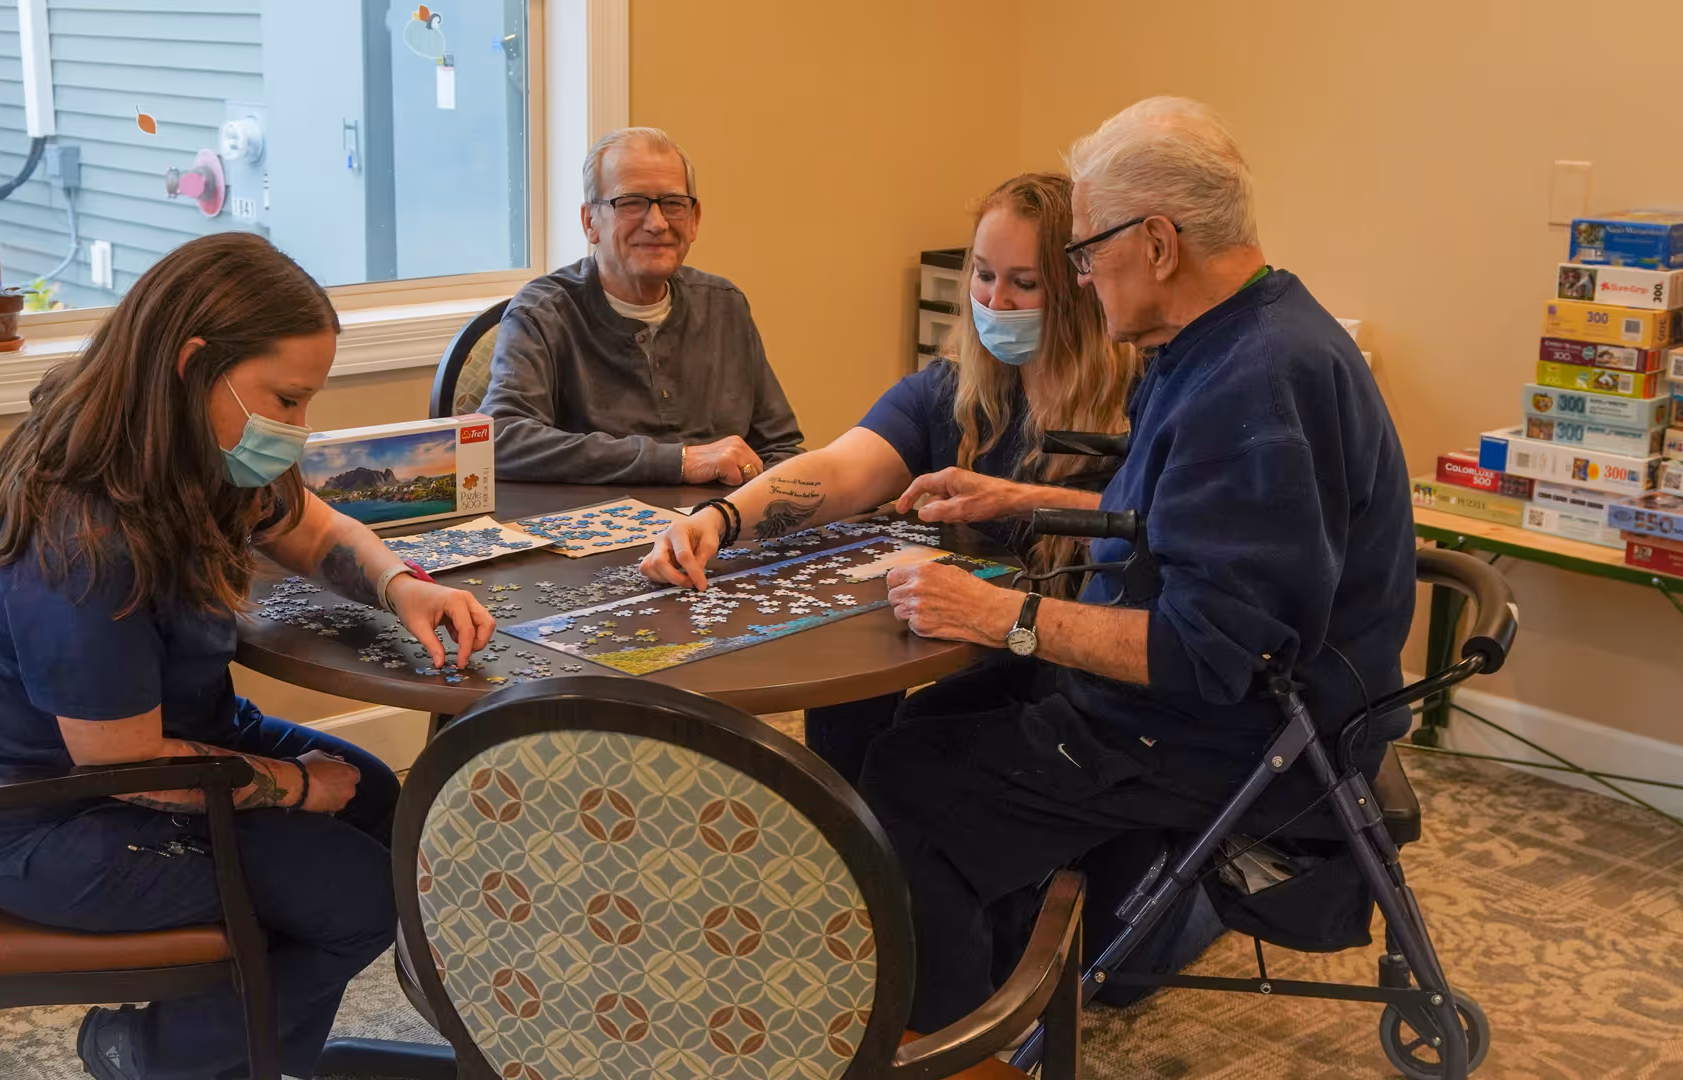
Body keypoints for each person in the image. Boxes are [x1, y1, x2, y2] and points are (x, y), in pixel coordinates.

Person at [661, 97, 1419, 1076]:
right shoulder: (1243, 334)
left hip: (1219, 730)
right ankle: (978, 977)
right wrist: (1021, 494)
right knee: (910, 731)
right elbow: (1180, 520)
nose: (1077, 276)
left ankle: (957, 1049)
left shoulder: (1252, 386)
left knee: (912, 795)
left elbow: (1215, 652)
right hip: (1201, 703)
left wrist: (999, 613)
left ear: (1156, 244)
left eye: (1084, 252)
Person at [0, 233, 496, 1080]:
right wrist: (297, 788)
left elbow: (307, 524)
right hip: (53, 816)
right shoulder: (81, 529)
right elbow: (122, 766)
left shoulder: (190, 444)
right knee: (359, 899)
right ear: (196, 362)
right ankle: (159, 1054)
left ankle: (221, 1036)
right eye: (287, 399)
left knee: (384, 802)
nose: (299, 428)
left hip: (176, 742)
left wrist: (398, 582)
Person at [643, 173, 1137, 785]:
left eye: (1024, 283)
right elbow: (840, 468)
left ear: (1078, 289)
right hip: (979, 654)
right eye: (982, 274)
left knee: (912, 754)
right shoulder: (952, 390)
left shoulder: (1140, 400)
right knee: (857, 709)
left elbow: (1146, 532)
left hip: (1080, 681)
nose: (996, 301)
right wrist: (720, 519)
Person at [480, 126, 805, 485]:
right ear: (591, 222)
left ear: (694, 220)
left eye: (673, 204)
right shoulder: (542, 312)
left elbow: (781, 448)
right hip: (600, 532)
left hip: (719, 528)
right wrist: (679, 461)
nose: (657, 223)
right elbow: (500, 439)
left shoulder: (724, 305)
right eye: (631, 203)